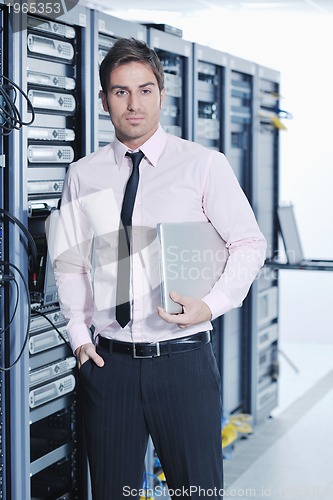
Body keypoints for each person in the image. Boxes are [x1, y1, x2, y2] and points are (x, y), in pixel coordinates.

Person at [53, 37, 266, 500]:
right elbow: (70, 261)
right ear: (105, 98)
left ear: (162, 95)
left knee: (197, 493)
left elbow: (249, 243)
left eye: (145, 90)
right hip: (109, 365)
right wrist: (79, 334)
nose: (134, 104)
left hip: (182, 361)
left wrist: (211, 305)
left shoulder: (203, 166)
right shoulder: (83, 174)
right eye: (121, 91)